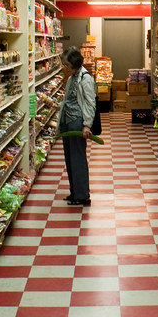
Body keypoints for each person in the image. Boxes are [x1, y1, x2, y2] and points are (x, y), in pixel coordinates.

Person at [57, 47, 96, 206]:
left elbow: (90, 103)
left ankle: (82, 195)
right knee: (70, 158)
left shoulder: (85, 78)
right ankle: (74, 192)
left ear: (74, 64)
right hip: (67, 121)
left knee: (78, 158)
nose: (64, 67)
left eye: (66, 65)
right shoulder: (73, 76)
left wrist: (87, 124)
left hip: (77, 122)